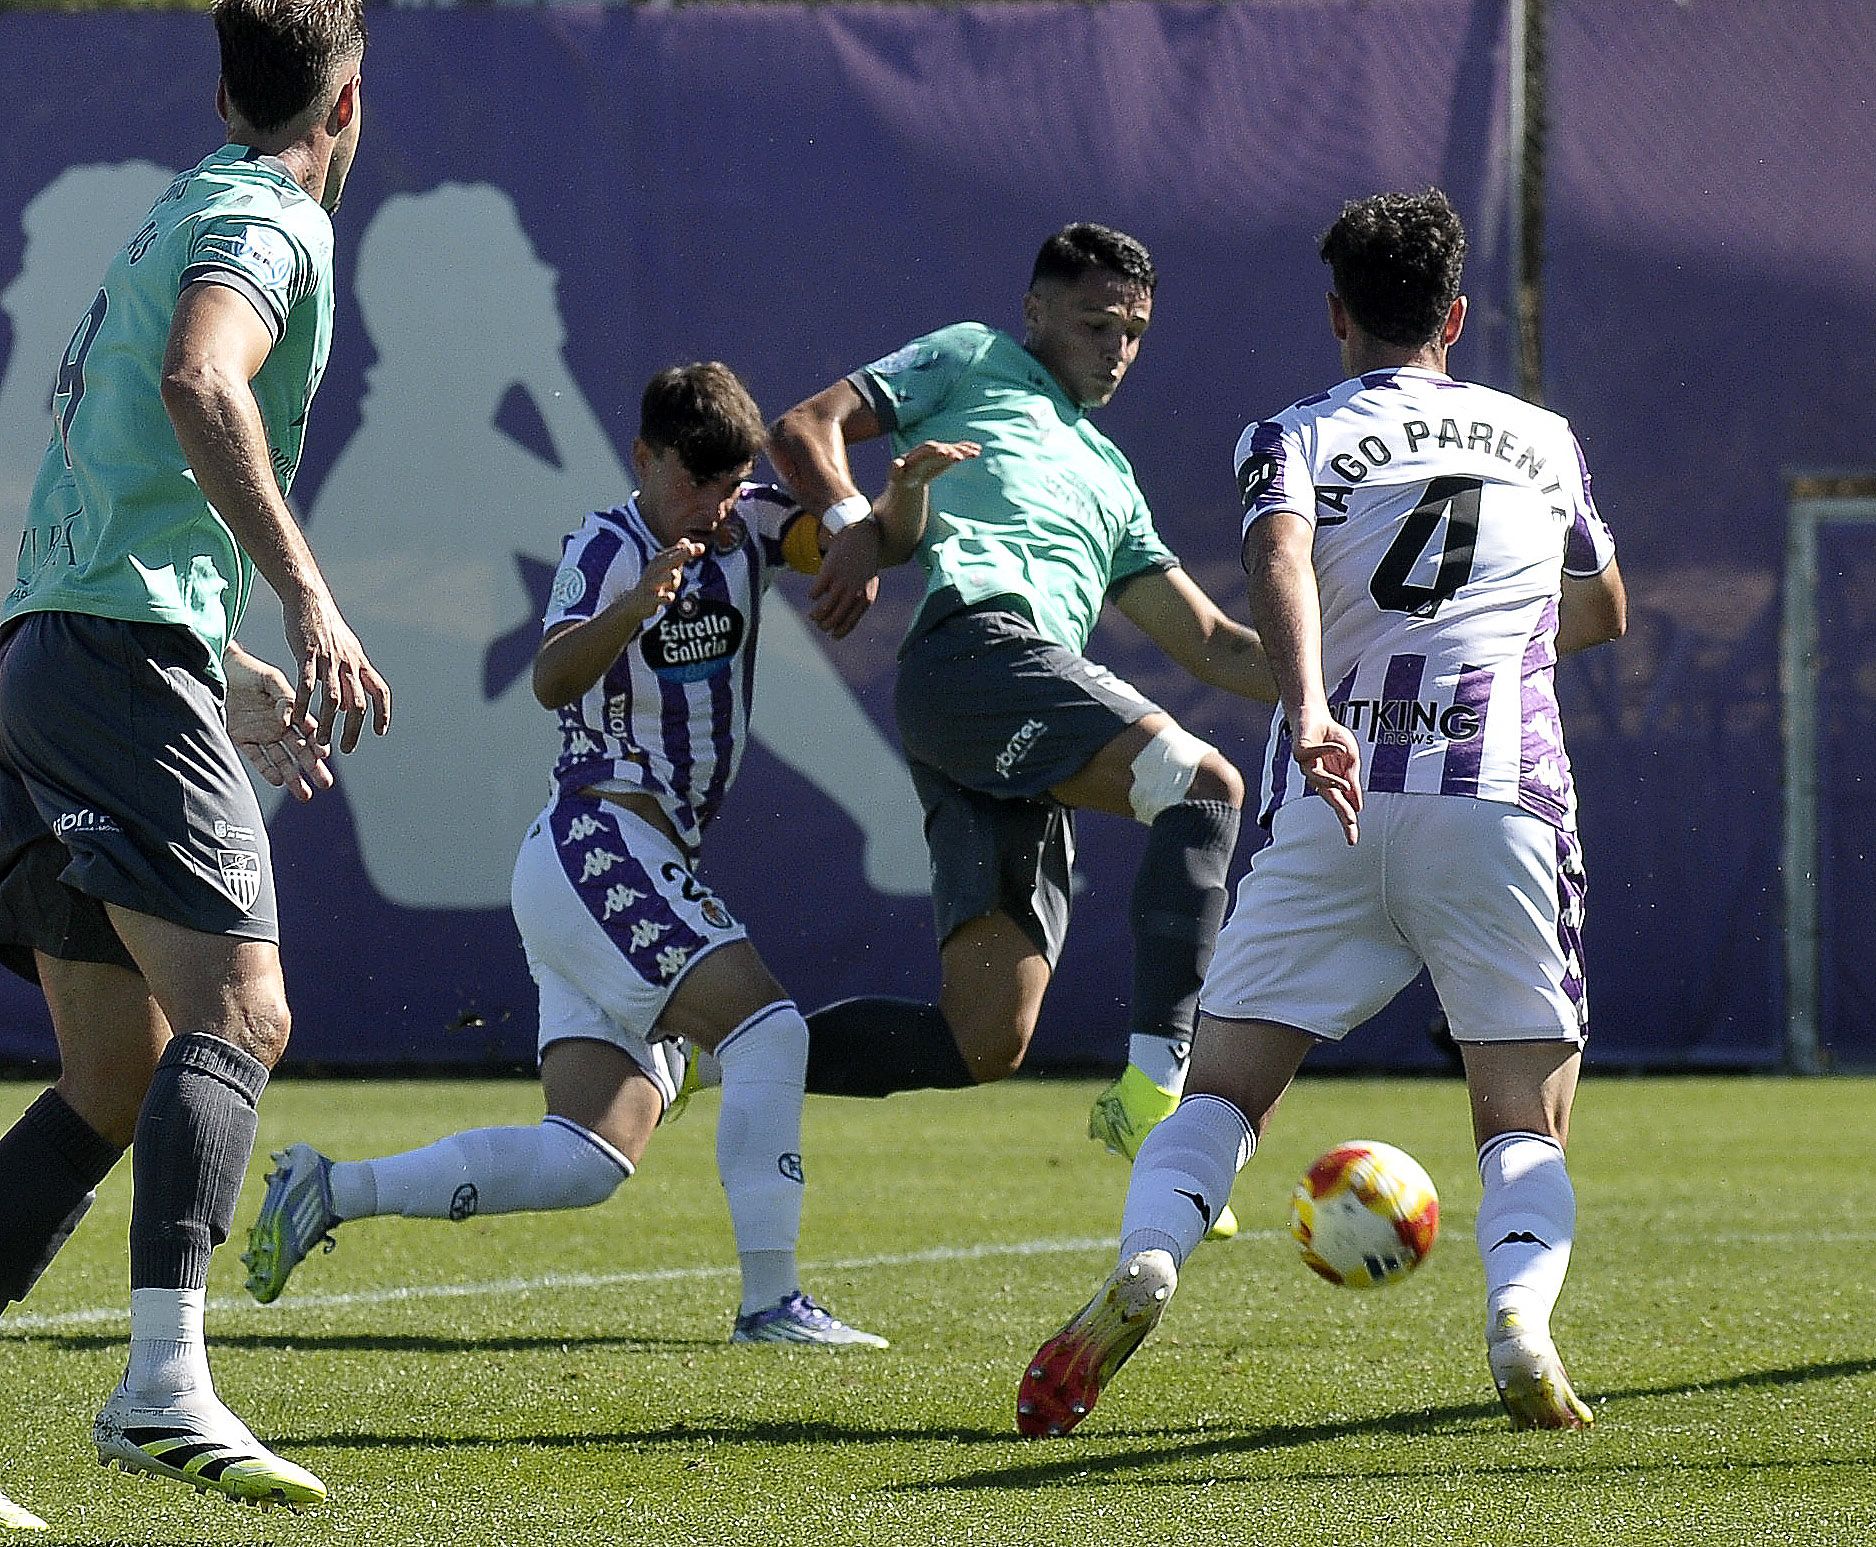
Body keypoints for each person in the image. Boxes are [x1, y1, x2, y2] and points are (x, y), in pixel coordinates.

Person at [1017, 188, 1627, 1438]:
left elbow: (1279, 560)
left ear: (1337, 315)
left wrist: (1309, 706)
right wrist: (1498, 636)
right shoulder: (1544, 437)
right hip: (1494, 790)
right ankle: (1519, 1319)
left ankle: (1149, 1260)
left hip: (1331, 796)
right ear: (1455, 315)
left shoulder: (1287, 435)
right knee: (1523, 1114)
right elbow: (1604, 609)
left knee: (1223, 1095)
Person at [243, 363, 973, 1347]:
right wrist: (635, 605)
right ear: (644, 458)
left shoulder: (749, 522)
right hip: (598, 841)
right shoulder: (607, 544)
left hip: (615, 862)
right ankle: (770, 1302)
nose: (713, 505)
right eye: (694, 482)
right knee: (767, 1029)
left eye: (729, 483)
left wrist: (902, 497)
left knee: (588, 1155)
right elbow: (550, 678)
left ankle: (329, 1187)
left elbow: (854, 540)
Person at [0, 0, 388, 1517]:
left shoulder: (180, 197)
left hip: (52, 651)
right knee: (244, 1008)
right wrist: (304, 598)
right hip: (100, 664)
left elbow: (119, 495)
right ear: (346, 104)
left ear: (228, 87)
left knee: (112, 1068)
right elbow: (198, 378)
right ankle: (162, 1385)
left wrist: (223, 660)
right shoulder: (269, 218)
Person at [768, 224, 1276, 1238]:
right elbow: (803, 425)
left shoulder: (1109, 474)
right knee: (1204, 784)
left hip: (1006, 711)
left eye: (1134, 331)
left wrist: (1341, 677)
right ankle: (1155, 1097)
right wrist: (855, 520)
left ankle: (713, 1048)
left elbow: (1217, 643)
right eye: (1095, 322)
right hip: (978, 658)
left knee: (982, 1038)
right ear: (1036, 311)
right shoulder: (972, 356)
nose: (1117, 348)